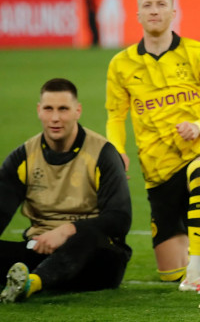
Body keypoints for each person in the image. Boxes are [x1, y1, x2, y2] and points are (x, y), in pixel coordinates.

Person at [105, 0, 200, 291]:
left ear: (173, 12)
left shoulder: (199, 53)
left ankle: (196, 271)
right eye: (147, 5)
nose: (154, 10)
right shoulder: (121, 64)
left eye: (161, 4)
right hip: (157, 171)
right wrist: (116, 150)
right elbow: (115, 117)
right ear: (138, 14)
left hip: (199, 151)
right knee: (169, 273)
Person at [0, 78, 132, 303]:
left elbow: (120, 218)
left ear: (77, 111)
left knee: (87, 236)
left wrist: (68, 230)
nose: (55, 118)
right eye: (48, 109)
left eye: (63, 109)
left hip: (96, 259)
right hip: (39, 251)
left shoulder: (103, 153)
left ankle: (31, 284)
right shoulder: (23, 157)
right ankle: (28, 279)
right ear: (39, 111)